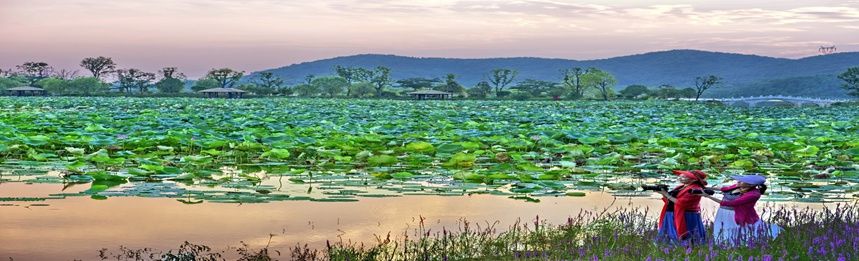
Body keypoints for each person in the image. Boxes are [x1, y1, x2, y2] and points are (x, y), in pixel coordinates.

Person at [703, 174, 781, 246]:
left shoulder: (753, 194)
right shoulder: (738, 186)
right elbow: (724, 189)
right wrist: (705, 188)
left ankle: (736, 245)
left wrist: (708, 196)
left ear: (750, 185)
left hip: (735, 213)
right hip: (723, 211)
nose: (739, 181)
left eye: (743, 181)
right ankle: (722, 244)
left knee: (734, 230)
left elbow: (732, 203)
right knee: (721, 228)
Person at [655, 170, 708, 244]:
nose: (680, 178)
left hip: (686, 215)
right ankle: (668, 248)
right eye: (680, 176)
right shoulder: (681, 187)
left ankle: (685, 248)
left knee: (685, 234)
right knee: (668, 232)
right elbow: (670, 200)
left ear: (693, 179)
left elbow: (682, 203)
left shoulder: (695, 189)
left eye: (684, 176)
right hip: (671, 213)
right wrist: (663, 193)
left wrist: (667, 195)